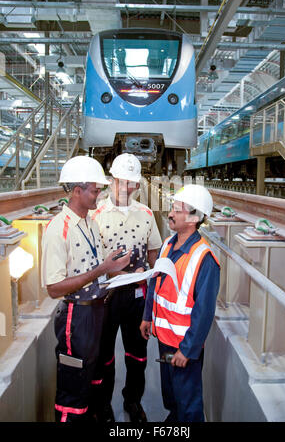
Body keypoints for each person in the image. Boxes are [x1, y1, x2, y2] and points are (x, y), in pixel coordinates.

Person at [41, 156, 131, 423]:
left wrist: (122, 269)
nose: (99, 195)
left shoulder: (91, 223)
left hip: (96, 313)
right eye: (95, 190)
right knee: (73, 384)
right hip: (75, 319)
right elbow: (54, 288)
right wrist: (102, 269)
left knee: (92, 375)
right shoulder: (59, 229)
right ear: (77, 191)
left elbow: (98, 267)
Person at [91, 153, 162, 423]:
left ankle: (133, 401)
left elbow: (154, 251)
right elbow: (93, 262)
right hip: (107, 296)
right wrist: (118, 272)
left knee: (137, 355)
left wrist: (154, 278)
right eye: (123, 182)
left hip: (137, 297)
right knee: (104, 356)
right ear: (112, 180)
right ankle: (104, 405)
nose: (128, 188)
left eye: (133, 183)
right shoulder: (96, 214)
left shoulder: (145, 214)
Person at [140, 184, 220, 423]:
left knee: (189, 404)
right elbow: (155, 283)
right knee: (172, 398)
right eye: (172, 208)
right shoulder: (167, 244)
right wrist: (147, 316)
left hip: (183, 346)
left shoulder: (204, 259)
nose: (170, 214)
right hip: (164, 339)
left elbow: (204, 312)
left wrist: (187, 350)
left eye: (177, 209)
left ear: (194, 217)